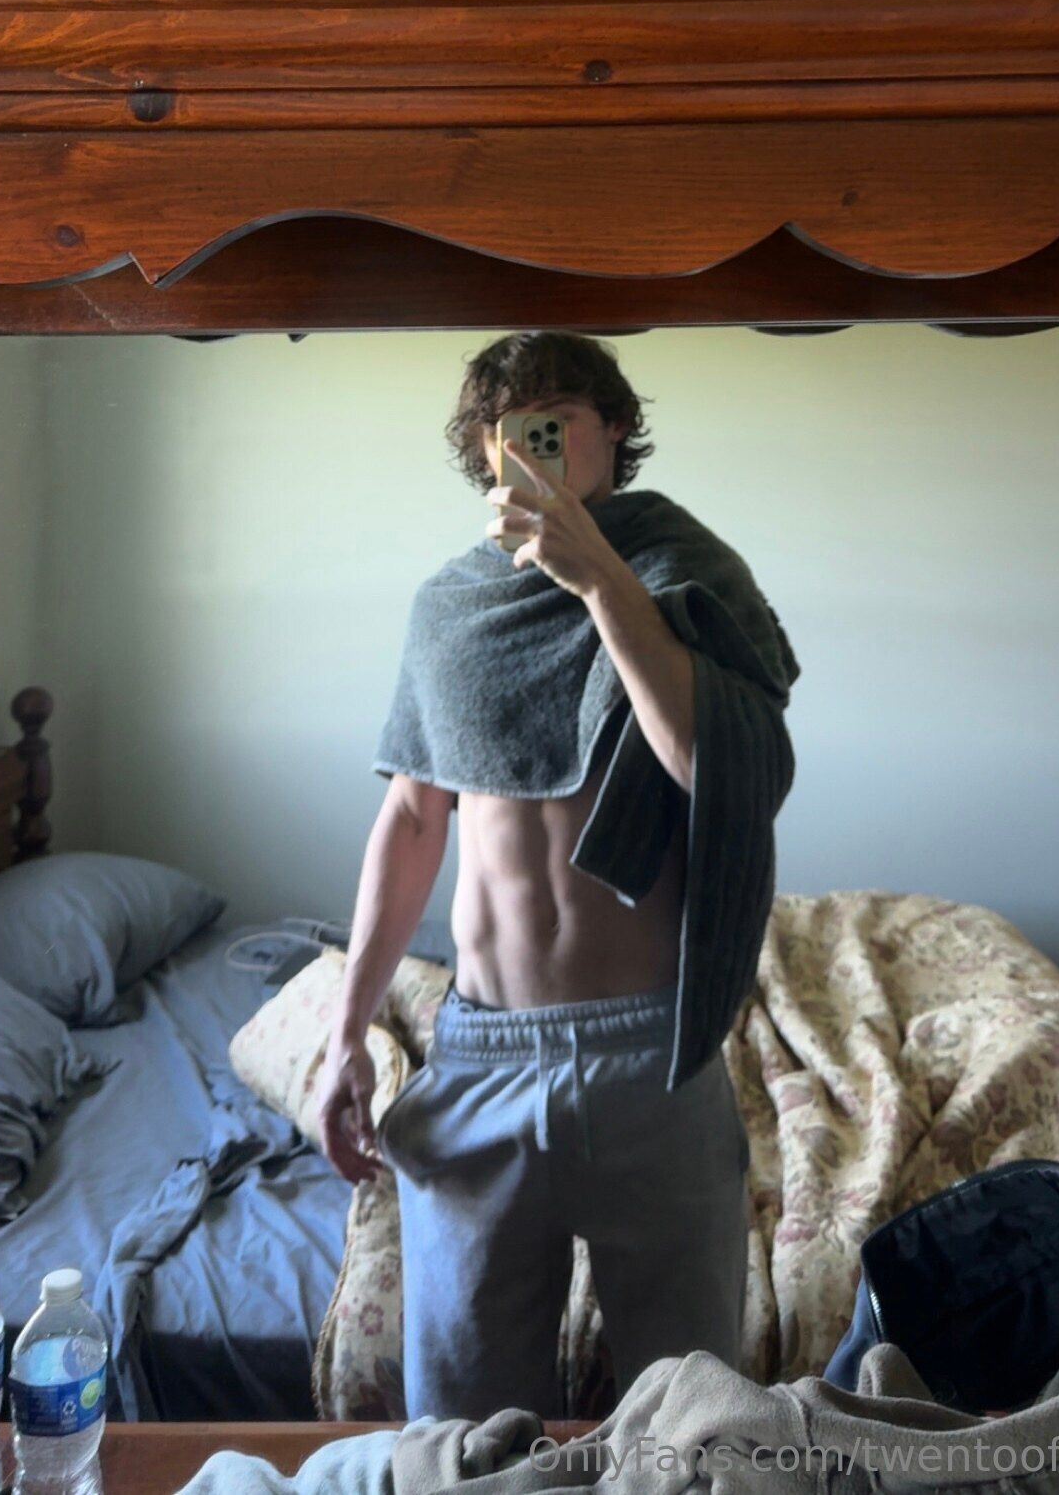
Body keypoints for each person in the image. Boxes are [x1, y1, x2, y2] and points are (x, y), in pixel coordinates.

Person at [313, 330, 794, 1422]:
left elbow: (718, 772)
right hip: (481, 1054)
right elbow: (412, 819)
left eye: (555, 420)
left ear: (615, 427)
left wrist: (598, 579)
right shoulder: (450, 607)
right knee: (463, 1433)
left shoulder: (682, 573)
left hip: (651, 1051)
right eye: (507, 431)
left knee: (694, 1422)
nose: (529, 446)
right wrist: (347, 1029)